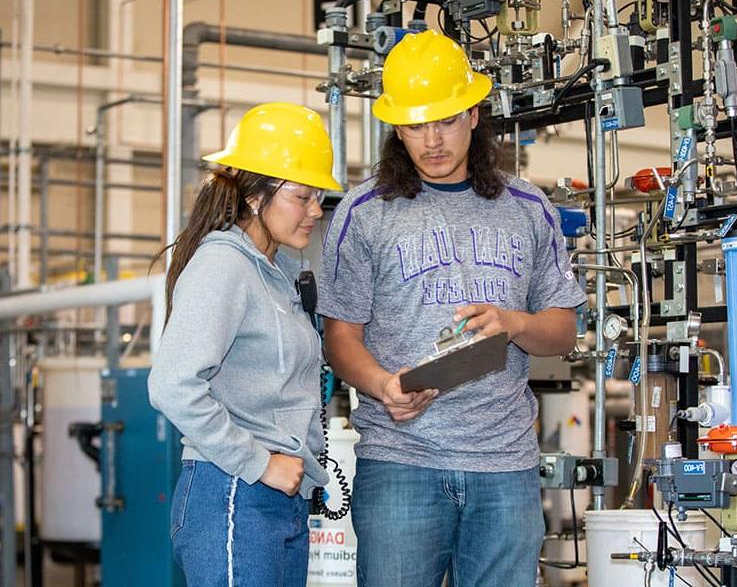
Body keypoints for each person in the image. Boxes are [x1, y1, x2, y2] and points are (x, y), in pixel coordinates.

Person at [317, 31, 587, 587]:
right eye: (416, 125)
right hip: (400, 462)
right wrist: (382, 385)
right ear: (396, 127)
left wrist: (512, 323)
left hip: (506, 467)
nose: (432, 140)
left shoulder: (528, 207)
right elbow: (339, 338)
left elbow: (562, 333)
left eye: (445, 120)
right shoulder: (365, 213)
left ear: (473, 115)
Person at [148, 102, 342, 587]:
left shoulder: (274, 273)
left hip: (279, 497)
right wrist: (259, 464)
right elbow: (172, 385)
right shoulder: (224, 266)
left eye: (318, 197)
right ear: (257, 197)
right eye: (302, 196)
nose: (315, 211)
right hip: (235, 491)